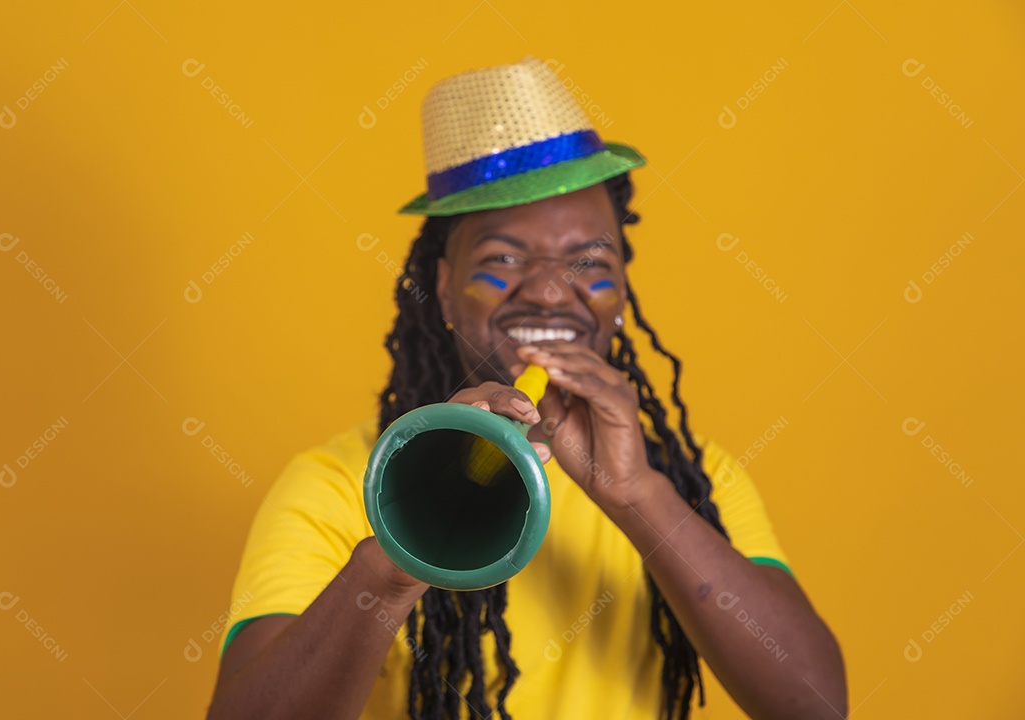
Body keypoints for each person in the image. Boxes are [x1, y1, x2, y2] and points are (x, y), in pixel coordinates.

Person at [206, 57, 847, 720]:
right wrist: (405, 547)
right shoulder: (338, 483)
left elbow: (816, 705)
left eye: (589, 263)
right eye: (503, 259)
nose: (546, 290)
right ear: (446, 288)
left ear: (621, 293)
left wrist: (638, 496)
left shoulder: (696, 482)